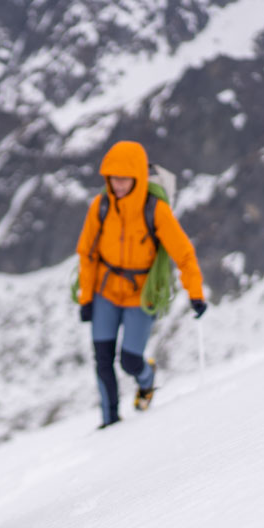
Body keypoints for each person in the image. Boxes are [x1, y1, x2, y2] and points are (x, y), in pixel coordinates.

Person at [75, 141, 206, 429]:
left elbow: (183, 253)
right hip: (105, 293)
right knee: (103, 360)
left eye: (124, 178)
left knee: (130, 361)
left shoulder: (155, 210)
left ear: (138, 177)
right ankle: (110, 421)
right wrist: (86, 298)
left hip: (140, 295)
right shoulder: (101, 205)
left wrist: (195, 293)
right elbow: (87, 253)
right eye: (113, 178)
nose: (118, 184)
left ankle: (146, 381)